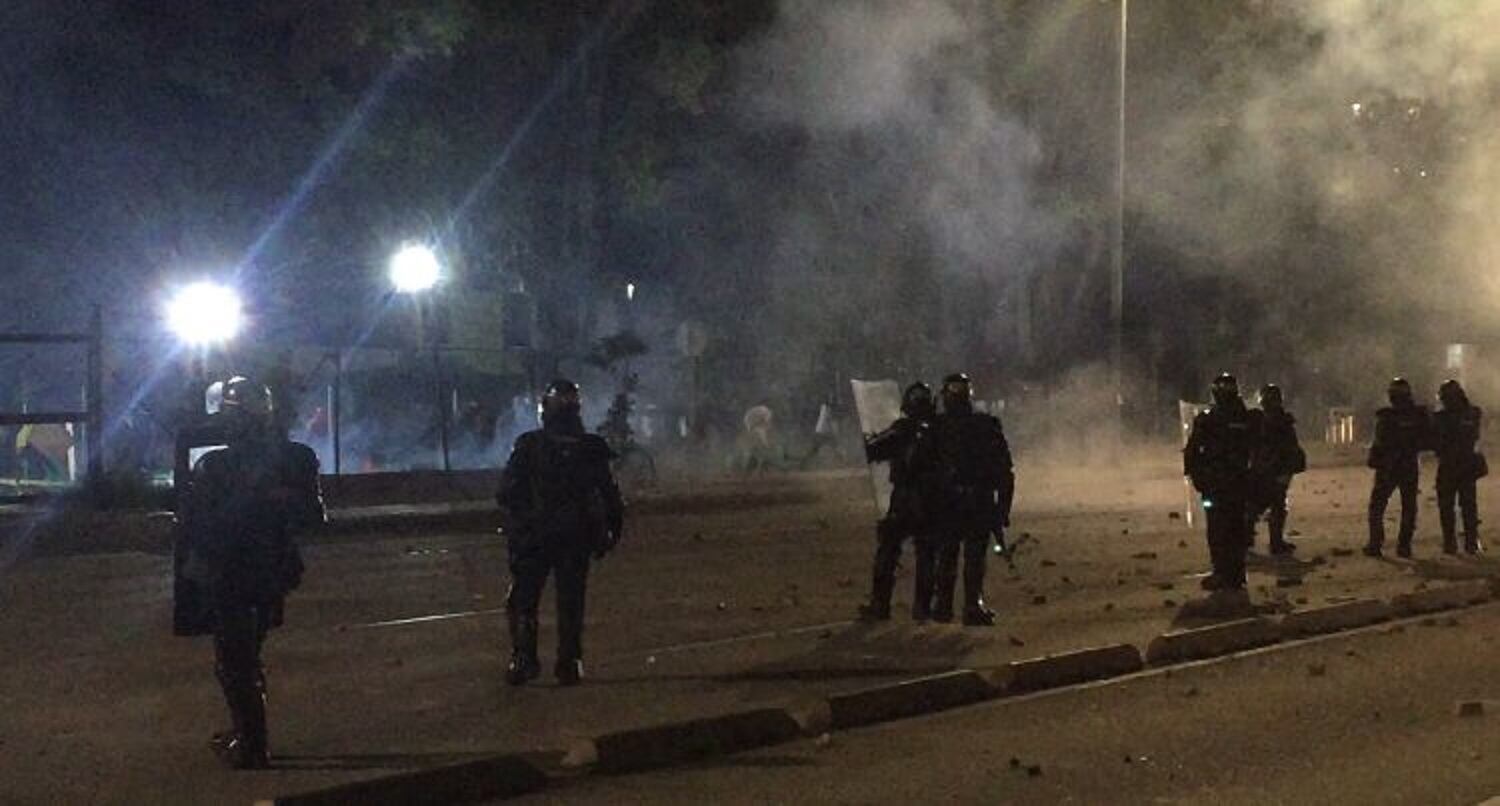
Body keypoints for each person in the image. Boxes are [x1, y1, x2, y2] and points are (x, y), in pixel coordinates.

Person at [177, 377, 325, 769]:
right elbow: (312, 517)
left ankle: (252, 744)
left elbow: (197, 524)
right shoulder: (296, 458)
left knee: (234, 660)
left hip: (233, 571)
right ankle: (247, 733)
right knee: (246, 655)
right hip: (271, 568)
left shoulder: (217, 465)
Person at [497, 379, 625, 686]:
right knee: (571, 601)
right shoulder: (591, 448)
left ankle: (525, 659)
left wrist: (520, 523)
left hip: (535, 537)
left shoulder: (529, 445)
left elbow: (507, 492)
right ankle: (570, 662)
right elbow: (611, 496)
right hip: (575, 537)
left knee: (524, 600)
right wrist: (611, 532)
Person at [931, 373, 1015, 626]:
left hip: (953, 500)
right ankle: (969, 605)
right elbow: (1005, 473)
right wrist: (1002, 510)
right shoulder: (985, 424)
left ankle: (945, 606)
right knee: (972, 556)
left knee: (949, 554)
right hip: (974, 501)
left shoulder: (937, 427)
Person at [858, 382, 941, 621]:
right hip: (931, 501)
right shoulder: (940, 431)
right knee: (927, 554)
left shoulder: (902, 429)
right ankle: (922, 608)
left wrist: (869, 438)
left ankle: (879, 606)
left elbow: (873, 450)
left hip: (905, 498)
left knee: (888, 550)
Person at [1184, 373, 1254, 591]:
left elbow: (1192, 452)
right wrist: (1197, 477)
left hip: (1226, 485)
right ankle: (1230, 573)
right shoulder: (1217, 418)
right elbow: (1193, 452)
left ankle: (1228, 573)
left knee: (1225, 530)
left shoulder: (1237, 418)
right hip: (1225, 485)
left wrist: (1197, 477)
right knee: (1229, 530)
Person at [1364, 377, 1433, 558]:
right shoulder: (1418, 415)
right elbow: (1428, 440)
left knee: (1377, 505)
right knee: (1408, 506)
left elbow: (1379, 442)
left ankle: (1375, 544)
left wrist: (1376, 458)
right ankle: (1404, 546)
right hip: (1409, 464)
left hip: (1389, 466)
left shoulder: (1387, 417)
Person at [1245, 384, 1307, 555]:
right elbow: (1291, 448)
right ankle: (1272, 542)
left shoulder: (1260, 421)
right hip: (1271, 471)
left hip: (1264, 470)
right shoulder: (1275, 422)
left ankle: (1251, 540)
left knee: (1258, 507)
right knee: (1272, 507)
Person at [1433, 379, 1485, 554]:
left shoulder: (1442, 418)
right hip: (1467, 464)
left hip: (1449, 465)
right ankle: (1470, 542)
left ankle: (1450, 543)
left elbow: (1435, 440)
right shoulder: (1473, 413)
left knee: (1447, 506)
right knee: (1468, 505)